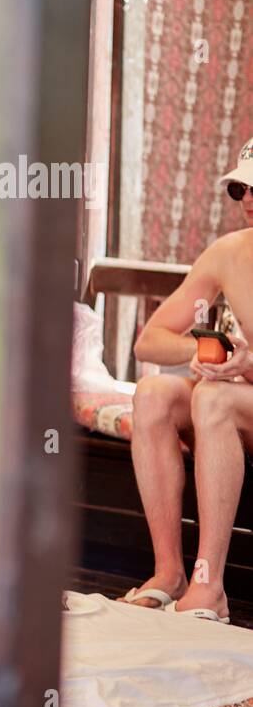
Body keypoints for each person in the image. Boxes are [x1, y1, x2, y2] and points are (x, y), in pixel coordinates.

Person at [122, 136, 253, 623]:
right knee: (154, 392)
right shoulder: (229, 253)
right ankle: (169, 573)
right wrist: (209, 353)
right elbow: (149, 341)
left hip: (234, 398)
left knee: (215, 399)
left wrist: (245, 366)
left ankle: (209, 587)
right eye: (240, 190)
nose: (249, 201)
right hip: (240, 398)